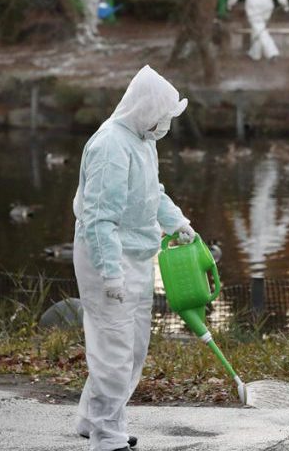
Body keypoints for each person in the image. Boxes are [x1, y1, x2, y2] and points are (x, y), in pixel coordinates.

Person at [72, 65, 195, 451]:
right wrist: (110, 273)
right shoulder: (110, 145)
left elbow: (151, 194)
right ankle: (107, 435)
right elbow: (98, 217)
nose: (165, 124)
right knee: (114, 345)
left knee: (133, 343)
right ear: (146, 108)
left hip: (139, 254)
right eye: (163, 115)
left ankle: (93, 418)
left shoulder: (142, 141)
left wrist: (178, 224)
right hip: (107, 256)